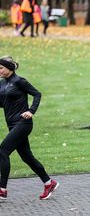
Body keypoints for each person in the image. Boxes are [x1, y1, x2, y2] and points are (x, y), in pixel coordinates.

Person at [0, 55, 59, 200]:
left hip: (23, 123)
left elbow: (37, 94)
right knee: (27, 156)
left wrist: (31, 111)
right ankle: (48, 182)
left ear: (10, 67)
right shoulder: (2, 83)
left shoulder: (19, 81)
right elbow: (4, 103)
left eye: (1, 68)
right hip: (12, 124)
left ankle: (2, 190)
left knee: (2, 152)